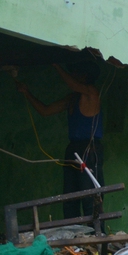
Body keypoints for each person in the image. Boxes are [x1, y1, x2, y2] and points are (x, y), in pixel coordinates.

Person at [16, 62, 104, 218]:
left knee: (90, 196)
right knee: (70, 196)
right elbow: (45, 110)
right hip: (74, 149)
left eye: (76, 73)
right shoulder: (72, 99)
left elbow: (74, 85)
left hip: (89, 149)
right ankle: (72, 235)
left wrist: (56, 65)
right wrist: (26, 93)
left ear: (84, 76)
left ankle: (96, 237)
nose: (73, 75)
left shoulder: (92, 92)